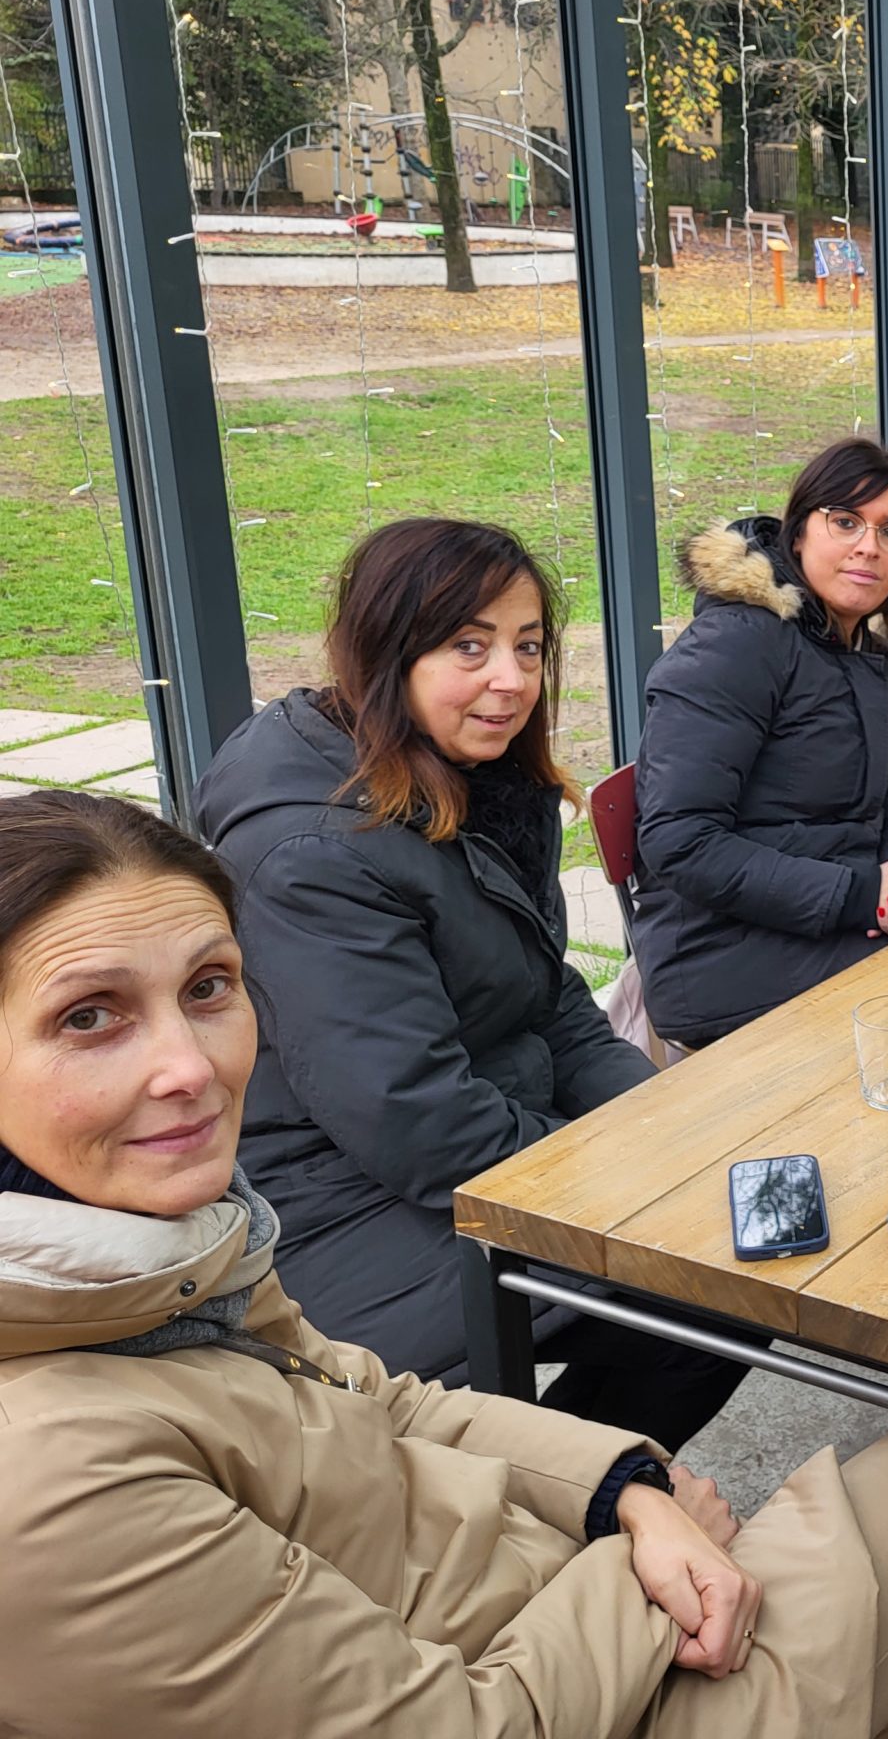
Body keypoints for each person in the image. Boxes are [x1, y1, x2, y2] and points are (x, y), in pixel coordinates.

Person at [0, 789, 888, 1739]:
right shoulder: (46, 1481)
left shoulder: (159, 1264)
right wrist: (651, 1567)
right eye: (90, 1016)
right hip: (564, 1685)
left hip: (538, 1608)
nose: (191, 1067)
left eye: (208, 989)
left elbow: (382, 1403)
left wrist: (620, 1490)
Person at [196, 518, 748, 1445]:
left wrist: (662, 1125)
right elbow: (418, 1126)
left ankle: (559, 1482)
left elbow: (551, 998)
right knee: (707, 1292)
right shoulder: (314, 853)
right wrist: (621, 1175)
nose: (511, 679)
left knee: (721, 1233)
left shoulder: (473, 782)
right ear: (385, 651)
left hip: (469, 1145)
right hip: (335, 1207)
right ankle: (547, 1505)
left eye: (528, 648)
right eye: (468, 646)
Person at [631, 440, 888, 1051]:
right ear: (798, 533)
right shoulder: (737, 644)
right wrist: (866, 895)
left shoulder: (869, 656)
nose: (868, 546)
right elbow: (680, 840)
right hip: (718, 953)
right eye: (846, 522)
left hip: (840, 917)